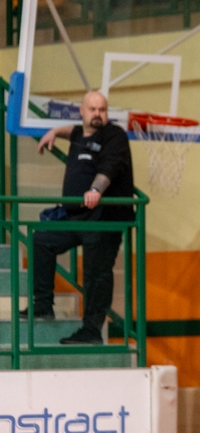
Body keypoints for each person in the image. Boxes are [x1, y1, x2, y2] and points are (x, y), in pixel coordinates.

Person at [31, 91, 134, 345]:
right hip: (76, 216)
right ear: (82, 111)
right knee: (41, 240)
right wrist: (55, 131)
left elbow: (111, 165)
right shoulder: (79, 133)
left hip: (104, 218)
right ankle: (43, 306)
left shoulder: (114, 135)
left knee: (96, 273)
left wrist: (96, 190)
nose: (98, 114)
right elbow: (74, 130)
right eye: (93, 109)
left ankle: (91, 331)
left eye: (102, 110)